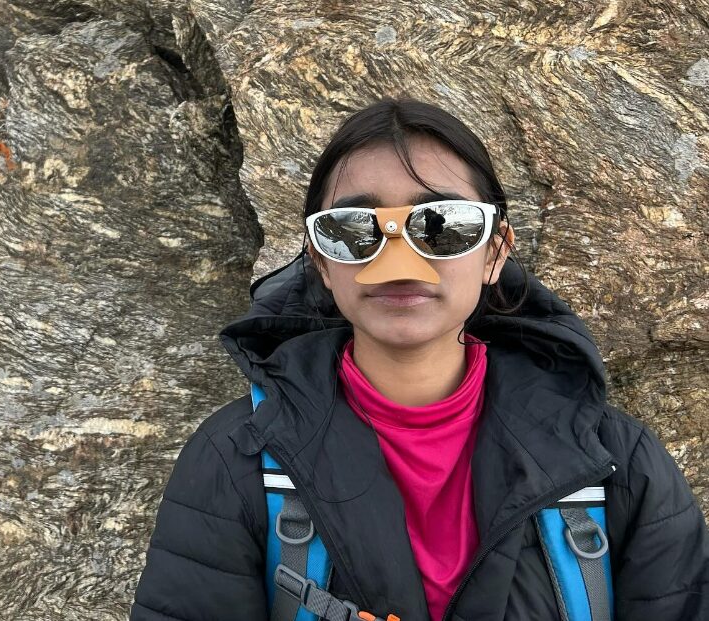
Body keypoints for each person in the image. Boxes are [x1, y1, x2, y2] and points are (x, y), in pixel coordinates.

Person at [129, 97, 708, 621]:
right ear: (321, 262)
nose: (400, 263)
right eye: (355, 229)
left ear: (495, 252)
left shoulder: (617, 463)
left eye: (443, 225)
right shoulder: (236, 459)